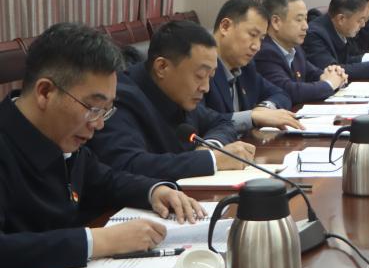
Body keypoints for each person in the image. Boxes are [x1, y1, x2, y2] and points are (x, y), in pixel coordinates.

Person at [0, 23, 205, 268]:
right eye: (93, 108)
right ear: (45, 92)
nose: (98, 124)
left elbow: (106, 180)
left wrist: (154, 191)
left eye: (106, 110)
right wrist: (99, 241)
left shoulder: (62, 137)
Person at [90, 20, 251, 181]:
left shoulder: (179, 94)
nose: (206, 88)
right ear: (162, 67)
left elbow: (222, 122)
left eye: (210, 77)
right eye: (200, 76)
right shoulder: (120, 98)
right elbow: (129, 164)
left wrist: (210, 147)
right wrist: (212, 160)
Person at [205, 0, 300, 131]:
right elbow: (202, 120)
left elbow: (281, 94)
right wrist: (251, 117)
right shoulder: (200, 68)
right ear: (225, 27)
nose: (257, 47)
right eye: (252, 34)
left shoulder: (246, 67)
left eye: (261, 39)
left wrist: (265, 108)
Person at [254, 0, 348, 105]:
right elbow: (288, 90)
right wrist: (329, 84)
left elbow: (313, 73)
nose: (306, 26)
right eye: (299, 20)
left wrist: (335, 74)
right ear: (276, 22)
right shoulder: (265, 51)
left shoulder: (295, 48)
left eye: (306, 19)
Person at [304, 0, 369, 79]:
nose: (363, 25)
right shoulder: (314, 35)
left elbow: (347, 60)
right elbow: (332, 71)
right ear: (341, 19)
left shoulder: (342, 29)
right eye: (360, 20)